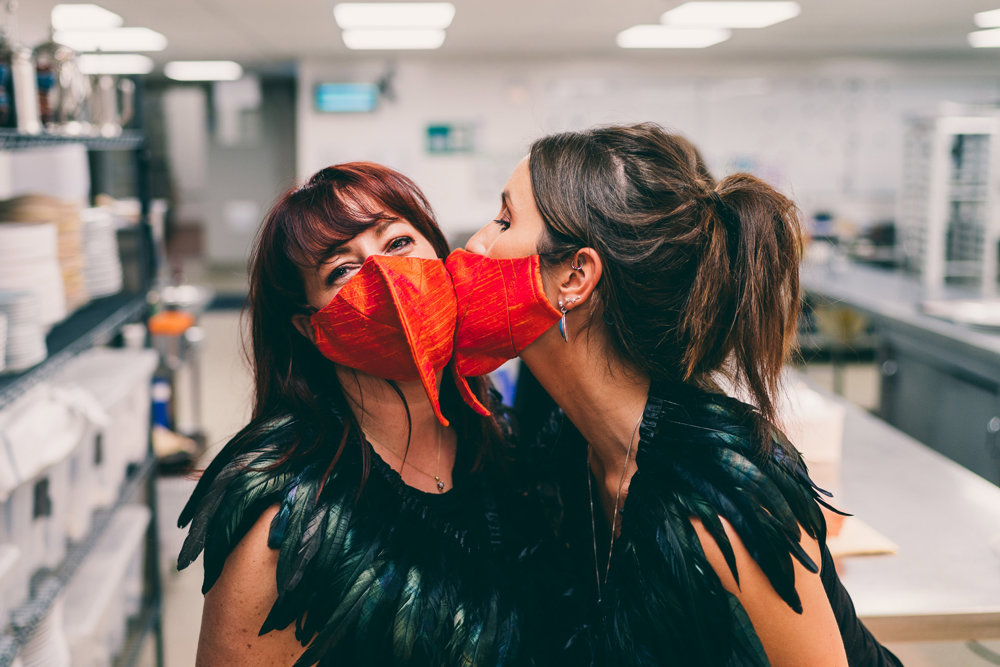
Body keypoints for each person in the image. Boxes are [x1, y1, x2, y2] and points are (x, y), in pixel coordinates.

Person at [451, 123, 902, 666]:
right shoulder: (569, 443)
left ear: (575, 276)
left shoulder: (721, 500)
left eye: (504, 220)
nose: (475, 244)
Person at [177, 162, 554, 666]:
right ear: (311, 328)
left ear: (441, 255)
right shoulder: (285, 529)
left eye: (398, 243)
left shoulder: (497, 437)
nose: (385, 276)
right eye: (342, 270)